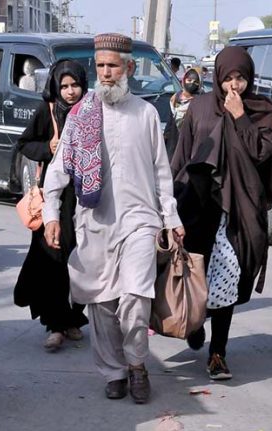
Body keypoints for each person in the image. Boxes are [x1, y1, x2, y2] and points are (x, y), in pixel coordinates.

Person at [42, 32, 185, 404]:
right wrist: (51, 213)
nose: (105, 73)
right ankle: (114, 371)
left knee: (136, 297)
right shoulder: (81, 114)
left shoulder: (147, 114)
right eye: (101, 66)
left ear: (129, 69)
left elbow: (161, 172)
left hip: (141, 221)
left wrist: (170, 216)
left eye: (113, 66)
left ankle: (137, 365)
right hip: (95, 223)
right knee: (102, 304)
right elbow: (59, 169)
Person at [170, 46, 272, 380]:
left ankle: (218, 353)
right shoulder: (201, 107)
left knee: (228, 280)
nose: (234, 85)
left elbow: (263, 154)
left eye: (241, 78)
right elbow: (182, 155)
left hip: (238, 211)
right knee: (195, 276)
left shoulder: (260, 111)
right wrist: (169, 206)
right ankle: (193, 323)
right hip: (198, 207)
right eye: (229, 78)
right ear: (218, 77)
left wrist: (239, 116)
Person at [13, 59, 89, 351]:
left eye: (75, 85)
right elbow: (25, 143)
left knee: (82, 260)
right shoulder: (47, 112)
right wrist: (48, 148)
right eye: (65, 86)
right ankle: (56, 325)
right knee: (53, 260)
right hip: (53, 199)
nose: (70, 92)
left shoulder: (92, 113)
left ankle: (73, 318)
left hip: (83, 198)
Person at [163, 66, 204, 159]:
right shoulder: (175, 99)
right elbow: (170, 122)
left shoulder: (202, 100)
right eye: (189, 80)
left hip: (191, 146)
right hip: (173, 145)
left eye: (195, 82)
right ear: (184, 79)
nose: (191, 84)